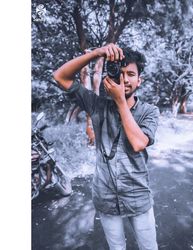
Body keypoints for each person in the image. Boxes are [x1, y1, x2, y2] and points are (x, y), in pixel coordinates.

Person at [53, 43, 159, 250]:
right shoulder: (97, 104)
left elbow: (139, 143)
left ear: (140, 80)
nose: (124, 79)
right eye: (119, 73)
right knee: (116, 247)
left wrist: (120, 101)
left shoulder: (149, 111)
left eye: (130, 74)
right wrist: (96, 54)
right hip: (105, 197)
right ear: (109, 77)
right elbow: (60, 77)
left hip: (137, 196)